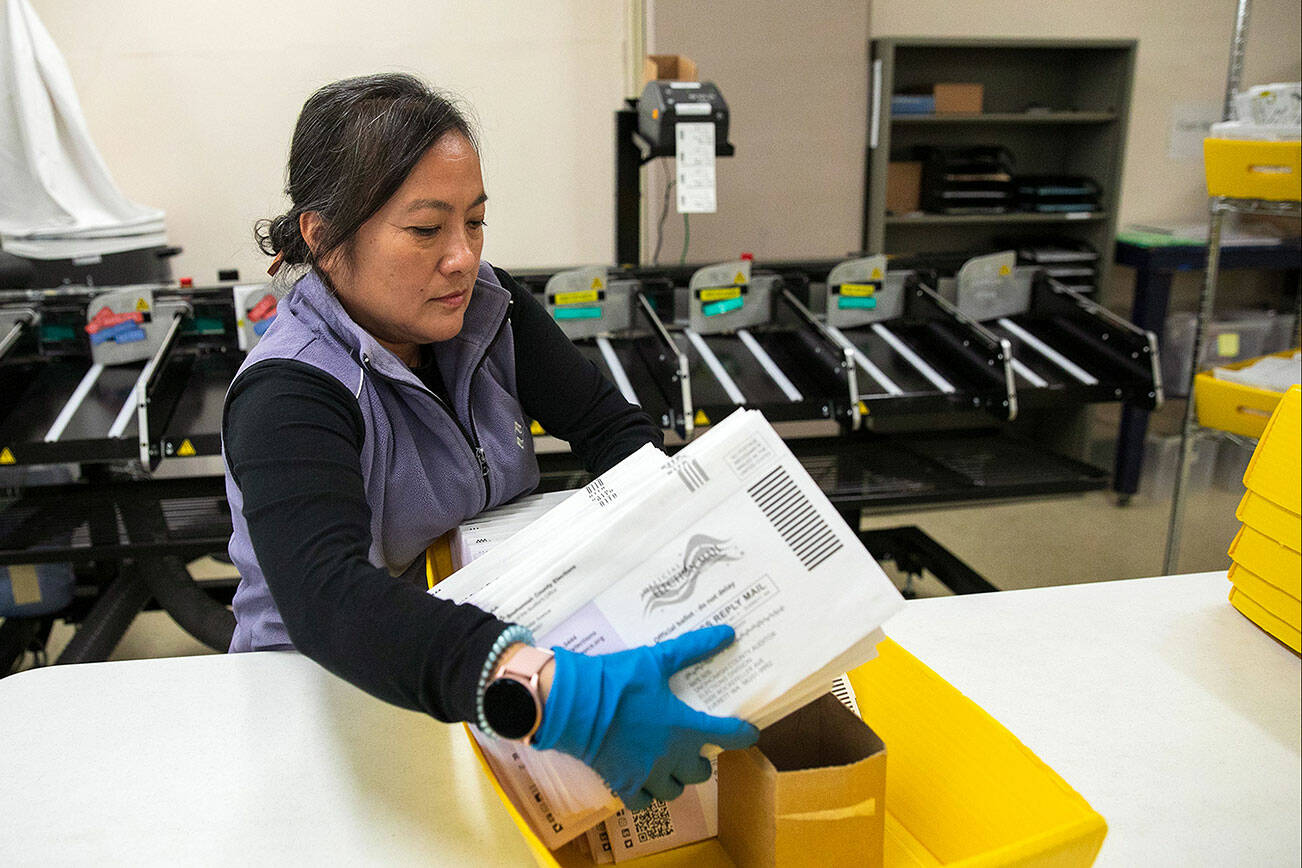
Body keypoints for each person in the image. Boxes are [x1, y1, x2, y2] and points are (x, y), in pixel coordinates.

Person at [222, 73, 757, 810]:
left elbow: (610, 428)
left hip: (488, 660)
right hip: (331, 689)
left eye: (475, 222)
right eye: (425, 229)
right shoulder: (291, 392)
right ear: (323, 236)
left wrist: (690, 544)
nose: (462, 258)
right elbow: (328, 600)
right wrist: (559, 698)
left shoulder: (490, 312)